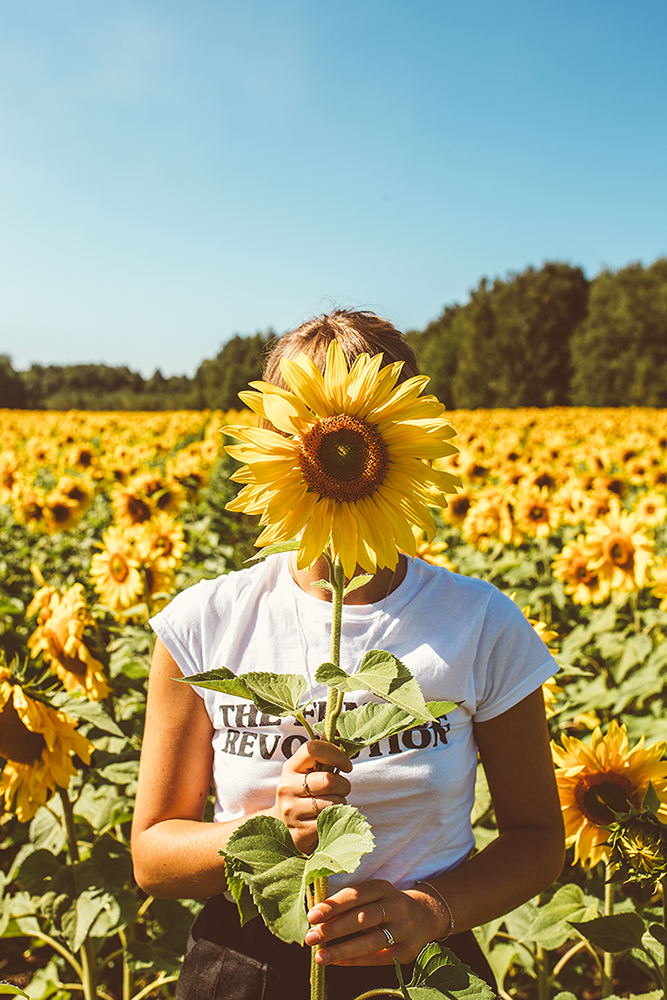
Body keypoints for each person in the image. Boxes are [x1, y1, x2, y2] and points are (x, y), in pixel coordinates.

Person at [131, 309, 565, 1000]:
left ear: (401, 439)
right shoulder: (205, 621)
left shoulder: (478, 621)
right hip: (245, 963)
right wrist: (269, 829)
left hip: (420, 959)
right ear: (277, 441)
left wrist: (430, 910)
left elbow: (538, 835)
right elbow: (152, 858)